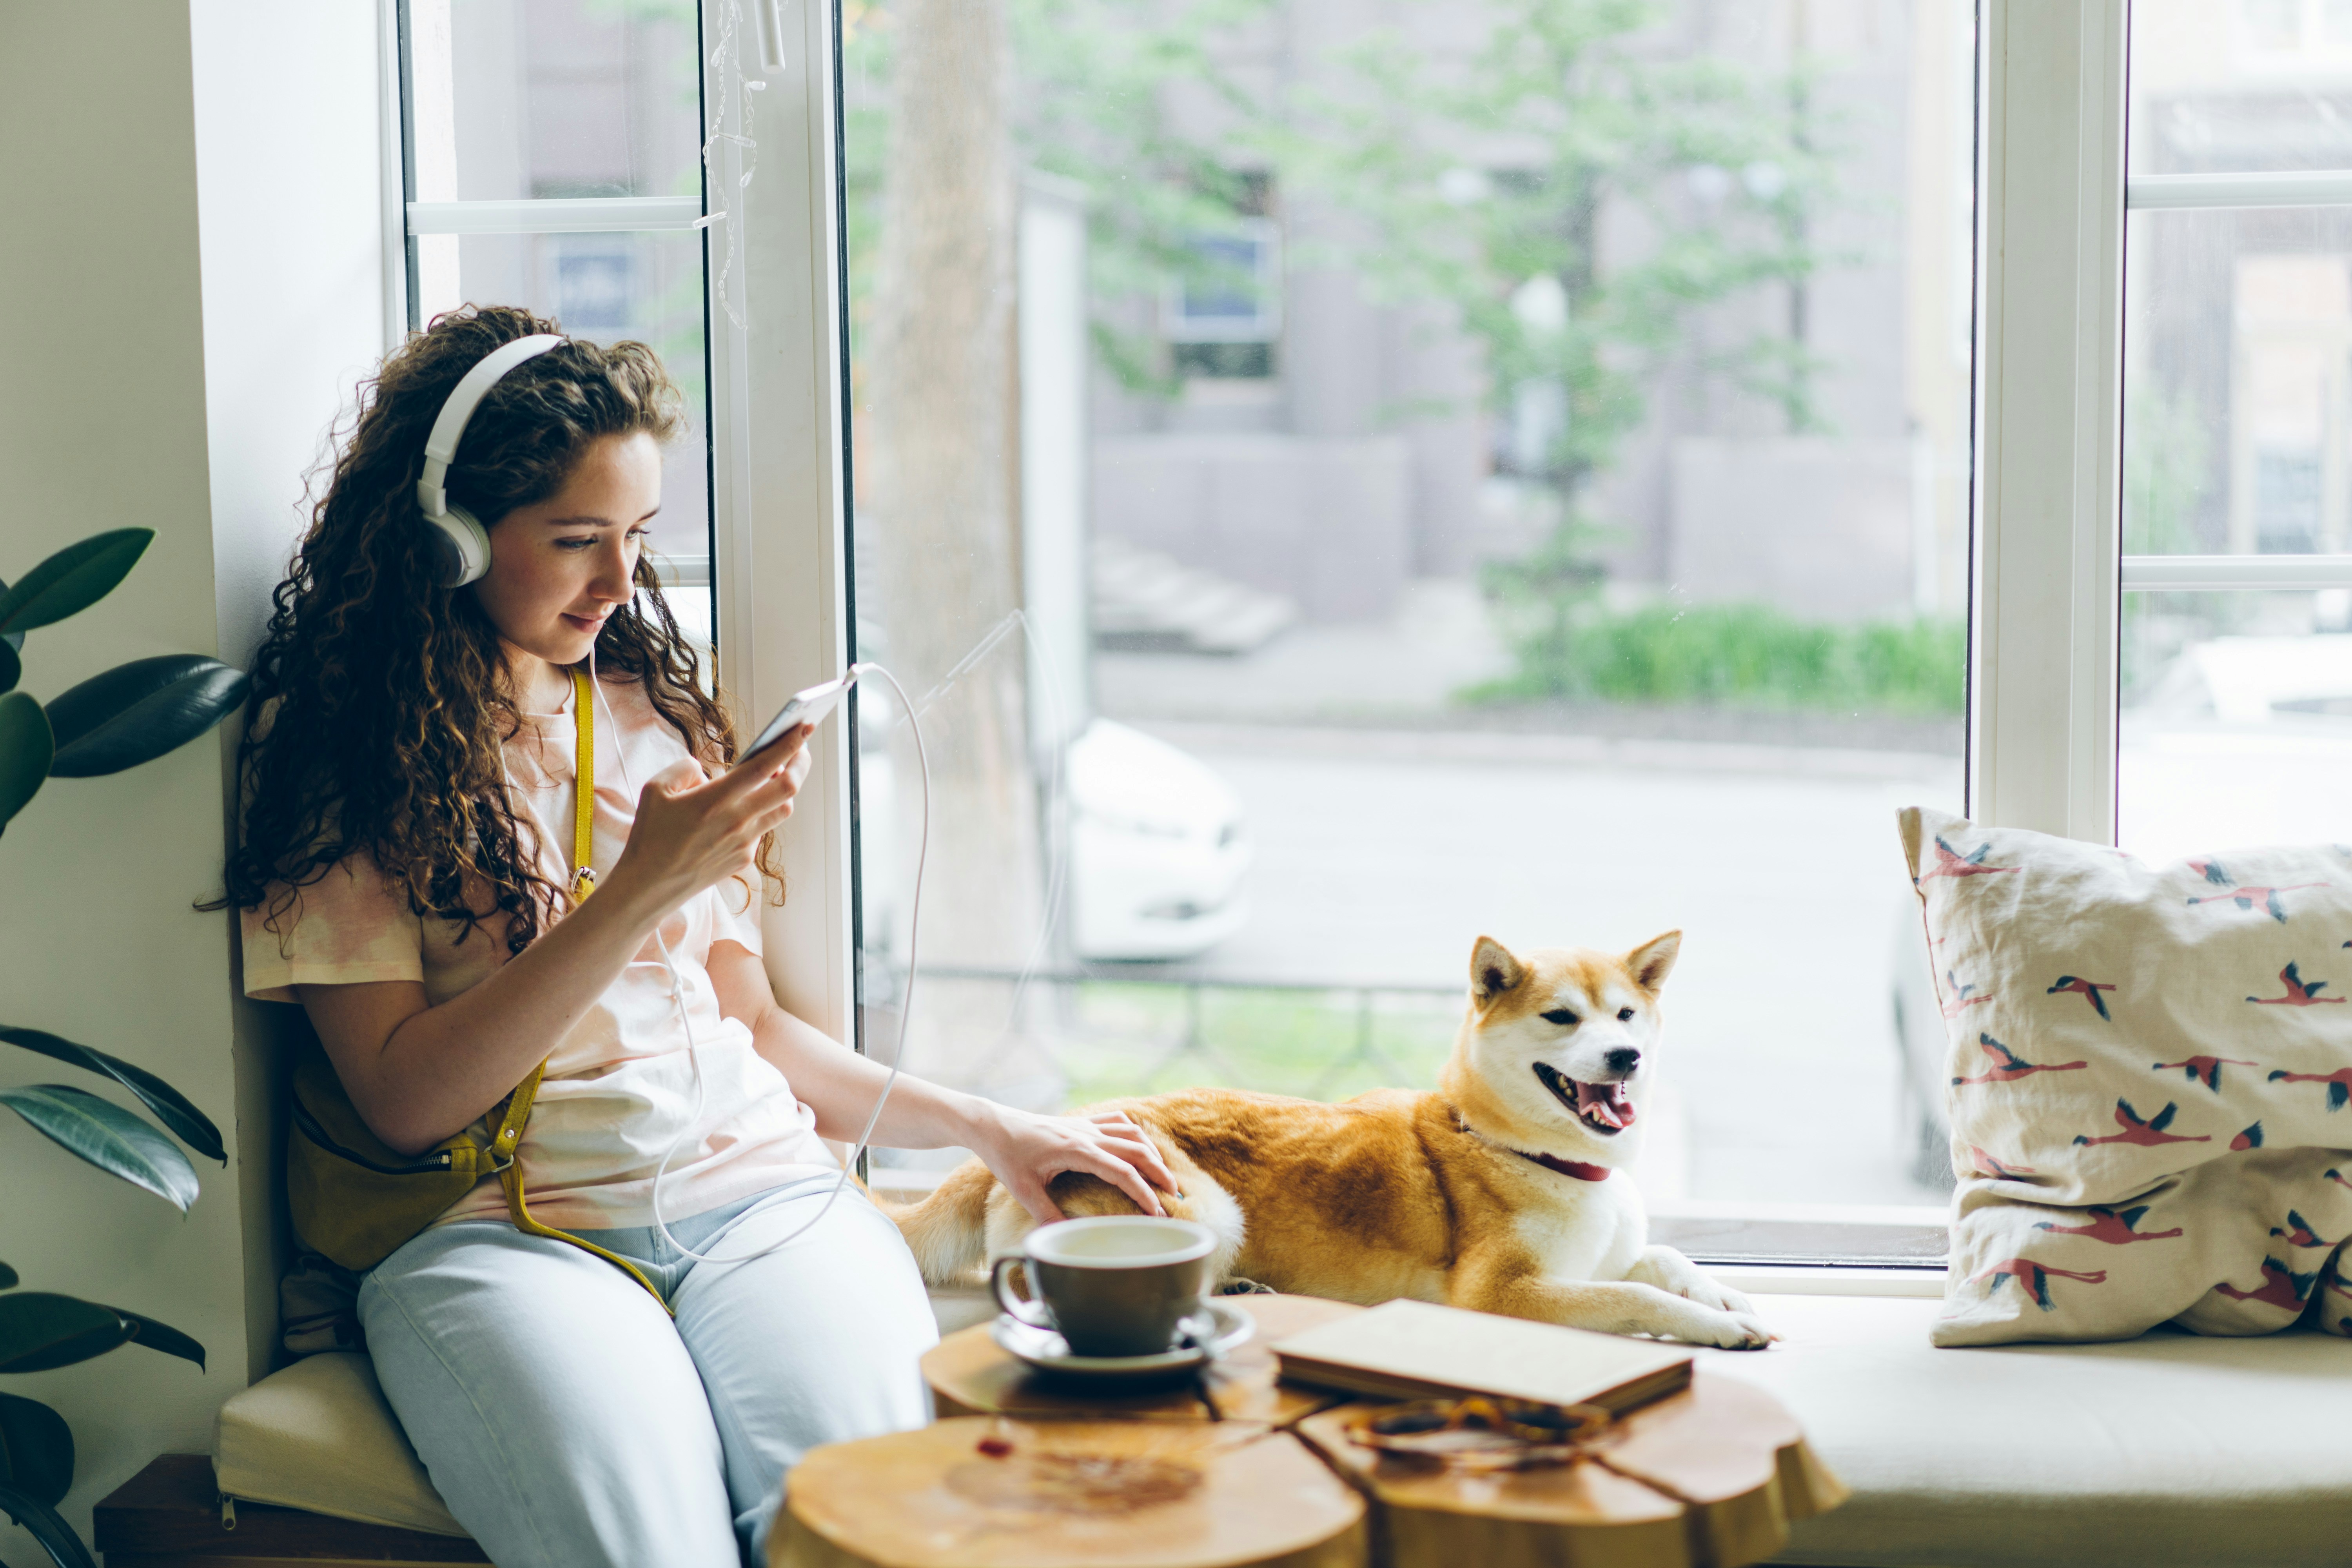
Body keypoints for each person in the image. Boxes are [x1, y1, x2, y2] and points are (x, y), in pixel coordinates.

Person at [220, 306, 1175, 1568]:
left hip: (759, 1201)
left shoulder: (651, 722)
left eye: (636, 538)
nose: (620, 585)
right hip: (495, 1235)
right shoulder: (346, 761)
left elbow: (759, 1033)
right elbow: (403, 1101)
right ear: (445, 538)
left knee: (860, 1534)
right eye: (576, 542)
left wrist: (990, 1126)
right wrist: (635, 894)